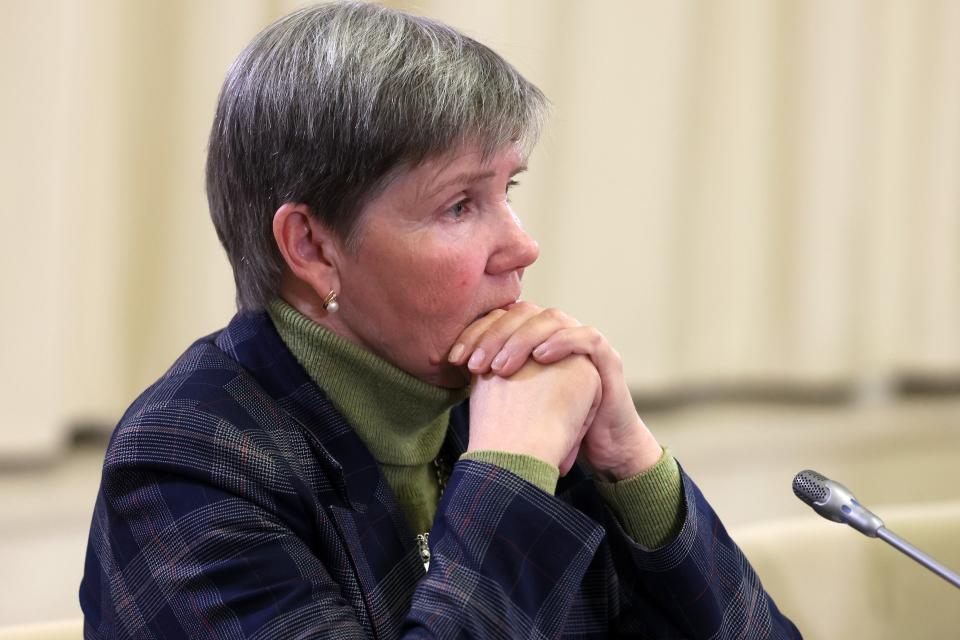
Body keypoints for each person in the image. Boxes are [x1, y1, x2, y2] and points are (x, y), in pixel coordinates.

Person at [80, 3, 801, 638]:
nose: (522, 245)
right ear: (312, 247)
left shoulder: (504, 404)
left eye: (507, 189)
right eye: (460, 205)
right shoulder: (188, 461)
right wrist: (509, 478)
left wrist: (632, 463)